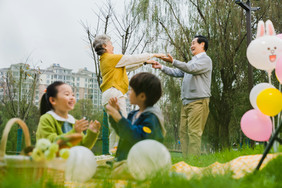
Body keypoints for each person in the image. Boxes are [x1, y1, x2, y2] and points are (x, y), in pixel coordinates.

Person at [93, 34, 165, 154]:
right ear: (105, 46)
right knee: (123, 124)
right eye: (111, 44)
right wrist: (154, 54)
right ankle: (122, 154)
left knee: (114, 130)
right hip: (114, 92)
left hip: (108, 94)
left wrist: (144, 63)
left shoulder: (106, 60)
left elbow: (126, 67)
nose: (113, 46)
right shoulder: (110, 58)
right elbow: (132, 58)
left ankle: (112, 154)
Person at [152, 35, 212, 157]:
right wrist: (162, 67)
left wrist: (173, 61)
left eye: (194, 43)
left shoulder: (206, 60)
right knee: (183, 133)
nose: (191, 46)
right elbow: (178, 72)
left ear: (202, 45)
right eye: (191, 43)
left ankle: (194, 163)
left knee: (194, 133)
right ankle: (187, 160)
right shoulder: (192, 61)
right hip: (186, 102)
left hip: (198, 101)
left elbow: (191, 69)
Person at [105, 72, 166, 161]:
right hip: (127, 161)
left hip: (141, 165)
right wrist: (115, 116)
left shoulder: (152, 118)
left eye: (131, 90)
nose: (129, 92)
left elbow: (139, 138)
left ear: (142, 96)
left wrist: (120, 119)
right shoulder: (133, 114)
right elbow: (124, 133)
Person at [36, 81, 101, 149]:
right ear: (53, 100)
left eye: (73, 95)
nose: (72, 97)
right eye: (67, 94)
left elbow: (82, 147)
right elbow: (50, 142)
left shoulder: (74, 122)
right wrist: (74, 133)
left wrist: (92, 133)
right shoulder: (46, 119)